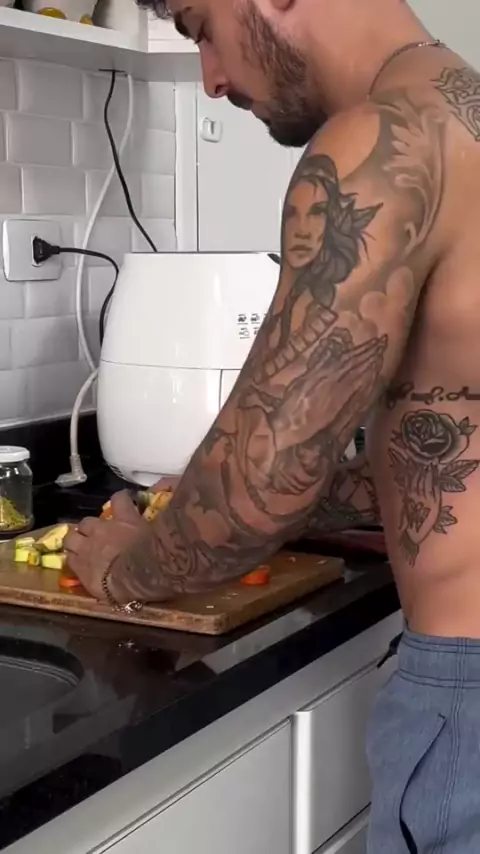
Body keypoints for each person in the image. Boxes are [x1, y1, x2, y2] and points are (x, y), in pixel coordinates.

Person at [64, 0, 480, 849]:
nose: (211, 79)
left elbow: (256, 488)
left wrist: (126, 565)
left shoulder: (379, 144)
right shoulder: (464, 114)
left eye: (200, 27)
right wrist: (296, 499)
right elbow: (445, 447)